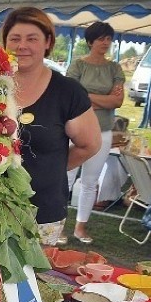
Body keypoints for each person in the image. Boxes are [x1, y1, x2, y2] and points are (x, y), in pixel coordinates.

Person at [0, 7, 100, 246]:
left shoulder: (67, 91)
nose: (22, 45)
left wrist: (51, 169)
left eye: (32, 38)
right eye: (15, 38)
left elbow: (89, 144)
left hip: (42, 210)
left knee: (34, 281)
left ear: (47, 42)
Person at [64, 21, 125, 244]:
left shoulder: (115, 68)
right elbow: (72, 97)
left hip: (103, 131)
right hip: (73, 129)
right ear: (90, 41)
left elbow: (118, 100)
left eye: (108, 38)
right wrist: (103, 100)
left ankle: (80, 227)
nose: (105, 42)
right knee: (66, 178)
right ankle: (58, 225)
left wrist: (87, 97)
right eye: (101, 38)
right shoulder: (78, 66)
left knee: (90, 181)